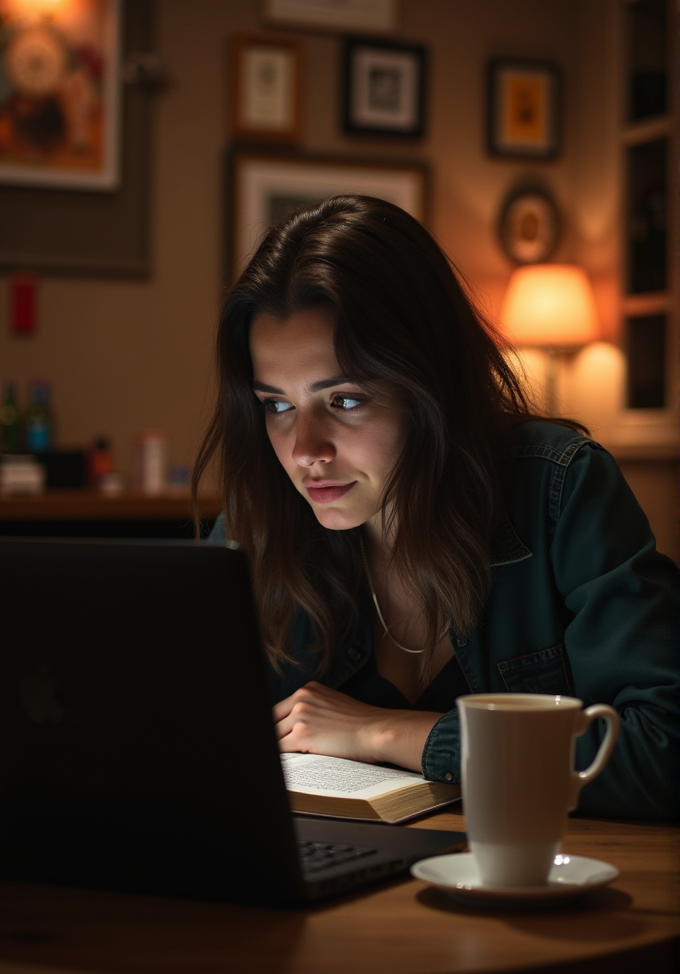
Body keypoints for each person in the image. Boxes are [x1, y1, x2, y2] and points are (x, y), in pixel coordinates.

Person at [192, 194, 679, 821]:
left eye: (342, 401)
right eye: (277, 405)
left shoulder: (561, 489)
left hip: (545, 887)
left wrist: (387, 732)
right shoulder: (260, 521)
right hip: (338, 892)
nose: (304, 451)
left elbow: (663, 750)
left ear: (430, 386)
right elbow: (184, 736)